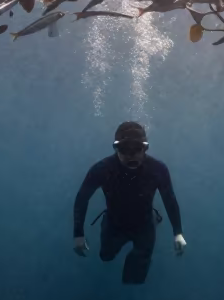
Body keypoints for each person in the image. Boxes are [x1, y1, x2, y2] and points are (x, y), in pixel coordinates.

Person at [72, 122, 186, 284]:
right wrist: (78, 234)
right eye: (125, 149)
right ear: (116, 148)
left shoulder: (157, 169)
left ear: (145, 148)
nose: (131, 154)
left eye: (137, 148)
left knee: (135, 279)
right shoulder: (103, 169)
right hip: (114, 224)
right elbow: (82, 199)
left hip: (144, 225)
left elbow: (169, 199)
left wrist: (178, 233)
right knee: (106, 257)